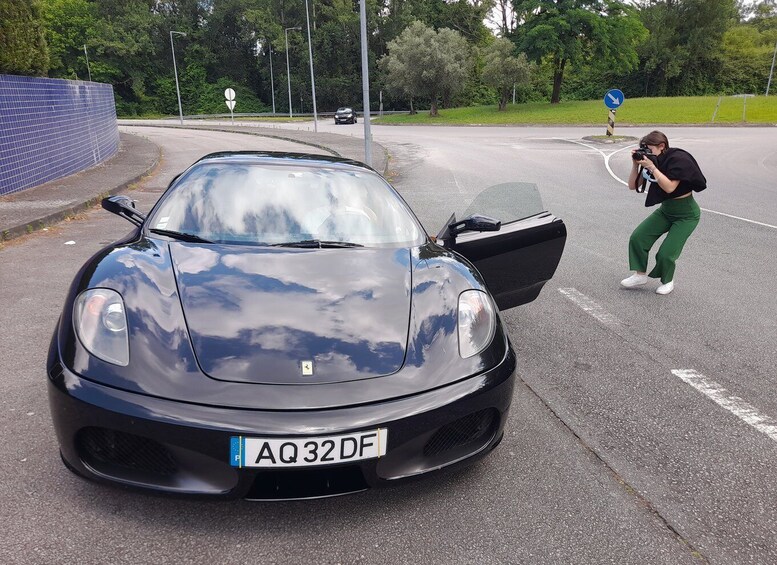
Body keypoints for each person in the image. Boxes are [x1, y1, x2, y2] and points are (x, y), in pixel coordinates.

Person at [620, 131, 707, 295]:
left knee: (666, 253)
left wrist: (652, 167)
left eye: (650, 150)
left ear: (662, 146)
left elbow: (669, 187)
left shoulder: (678, 160)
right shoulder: (654, 160)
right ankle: (640, 275)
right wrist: (636, 164)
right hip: (666, 210)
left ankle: (667, 281)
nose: (648, 154)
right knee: (638, 237)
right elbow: (632, 185)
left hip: (686, 215)